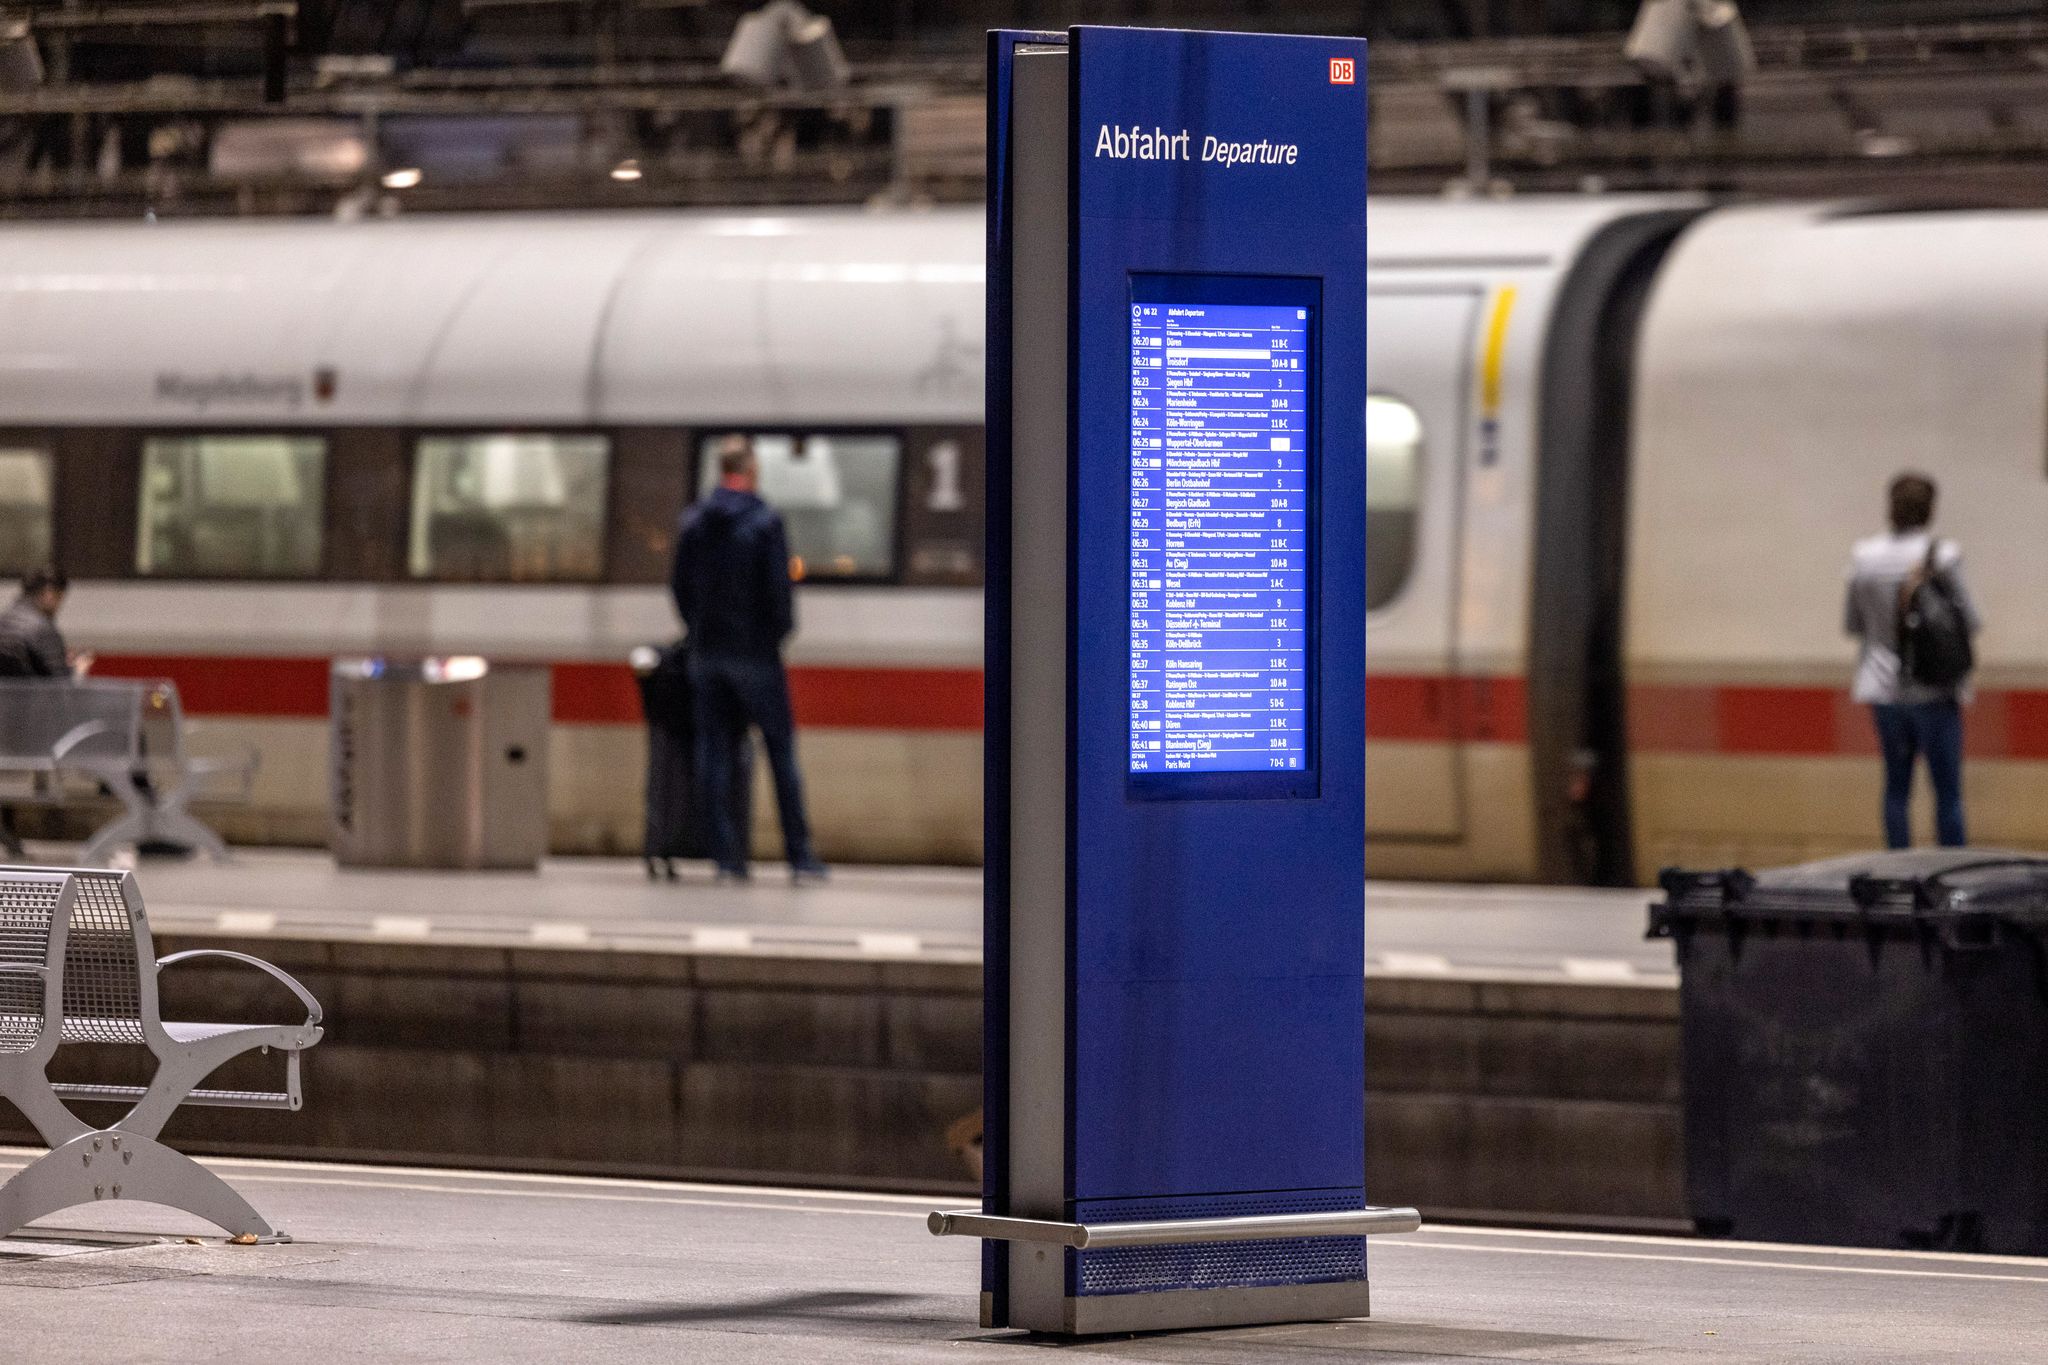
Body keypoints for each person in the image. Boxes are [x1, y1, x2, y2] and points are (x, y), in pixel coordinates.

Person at [670, 436, 827, 884]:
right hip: (757, 655)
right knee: (780, 752)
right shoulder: (765, 521)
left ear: (721, 471)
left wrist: (698, 632)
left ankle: (727, 859)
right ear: (751, 471)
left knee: (714, 753)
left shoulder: (693, 523)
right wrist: (776, 636)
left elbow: (679, 587)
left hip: (707, 655)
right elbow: (779, 590)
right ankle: (799, 855)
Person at [1844, 473, 1981, 849]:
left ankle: (1897, 870)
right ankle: (1951, 869)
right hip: (1934, 689)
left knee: (1896, 789)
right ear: (1930, 509)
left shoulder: (1864, 557)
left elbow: (1852, 624)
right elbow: (1971, 620)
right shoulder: (1944, 557)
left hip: (1883, 688)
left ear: (1890, 507)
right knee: (1947, 792)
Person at [0, 566, 85, 679]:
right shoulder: (42, 629)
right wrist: (78, 671)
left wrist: (57, 657)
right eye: (59, 598)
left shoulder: (4, 621)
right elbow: (62, 683)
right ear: (49, 594)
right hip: (30, 690)